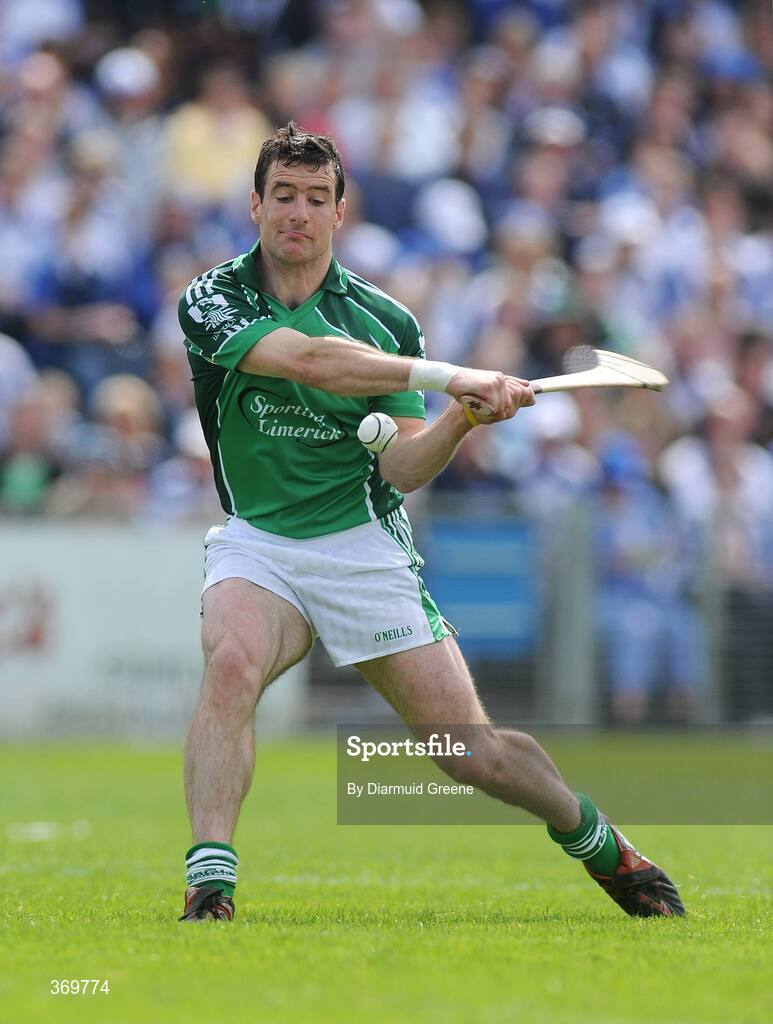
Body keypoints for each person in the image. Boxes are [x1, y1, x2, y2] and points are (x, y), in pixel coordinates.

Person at [177, 123, 684, 922]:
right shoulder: (213, 297)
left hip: (362, 547)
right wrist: (456, 374)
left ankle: (598, 842)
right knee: (231, 663)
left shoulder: (386, 321)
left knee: (467, 753)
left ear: (340, 212)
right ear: (255, 205)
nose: (298, 214)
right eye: (283, 196)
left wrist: (460, 418)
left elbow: (400, 469)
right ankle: (210, 883)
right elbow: (310, 360)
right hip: (259, 543)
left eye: (316, 198)